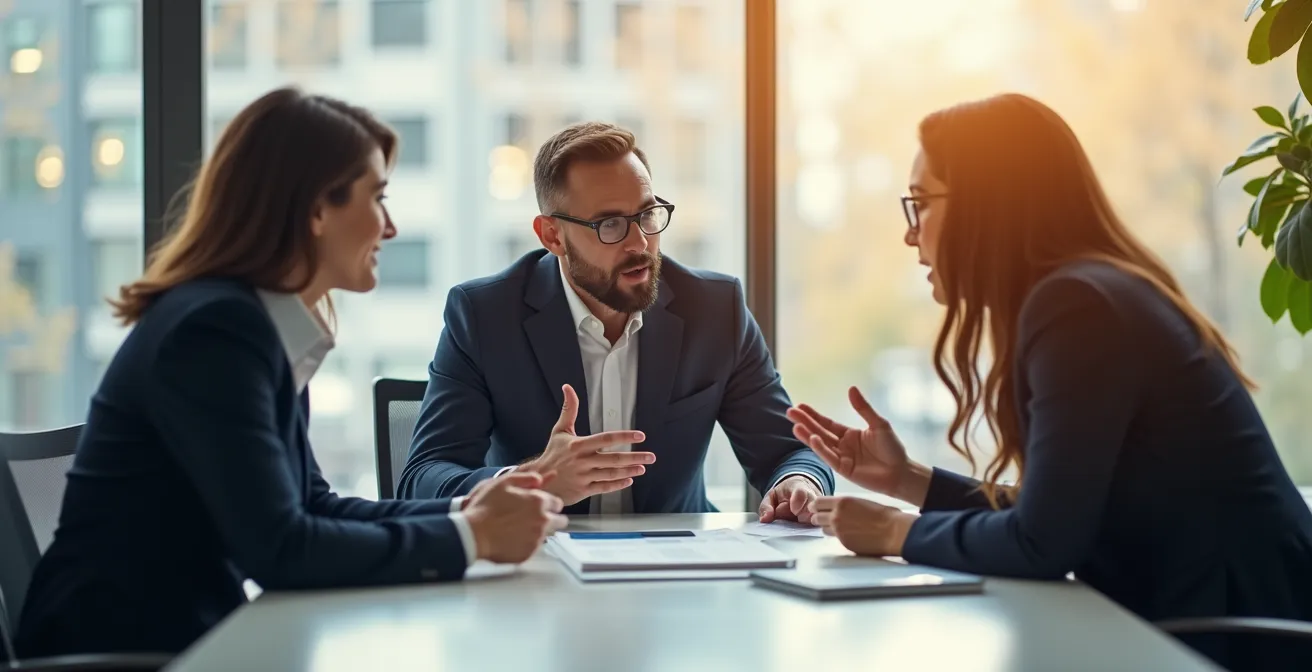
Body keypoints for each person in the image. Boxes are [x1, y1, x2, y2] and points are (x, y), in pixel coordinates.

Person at [14, 87, 567, 659]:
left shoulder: (251, 327)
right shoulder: (216, 332)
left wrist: (471, 507)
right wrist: (473, 537)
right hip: (132, 651)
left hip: (191, 638)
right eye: (376, 198)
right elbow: (282, 550)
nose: (390, 226)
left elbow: (312, 506)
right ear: (316, 209)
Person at [787, 93, 1312, 671]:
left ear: (988, 205)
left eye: (921, 204)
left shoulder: (1078, 307)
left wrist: (895, 532)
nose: (912, 235)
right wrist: (906, 479)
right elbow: (1059, 514)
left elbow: (1042, 541)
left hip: (1236, 638)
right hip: (1209, 618)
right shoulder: (1089, 293)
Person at [399, 122, 834, 517]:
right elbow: (423, 477)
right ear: (552, 235)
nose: (640, 243)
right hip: (538, 569)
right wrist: (532, 481)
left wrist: (797, 482)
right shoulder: (485, 316)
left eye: (647, 214)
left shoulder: (715, 309)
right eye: (610, 224)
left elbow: (788, 450)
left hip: (675, 573)